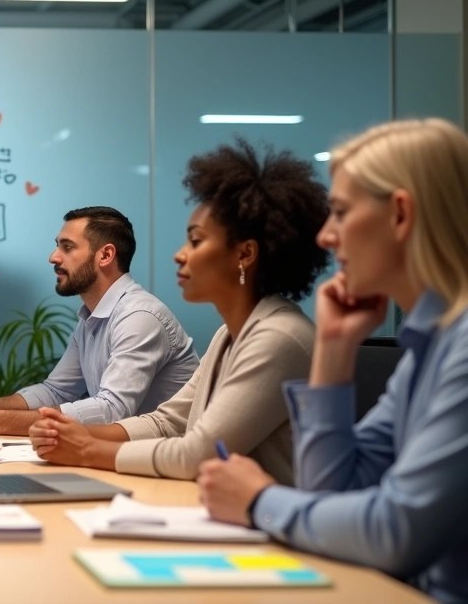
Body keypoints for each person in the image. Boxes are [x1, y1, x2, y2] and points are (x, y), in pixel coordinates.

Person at [198, 119, 468, 604]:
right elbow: (332, 493)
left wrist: (258, 500)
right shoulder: (430, 347)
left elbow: (395, 532)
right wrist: (334, 352)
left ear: (401, 215)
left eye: (341, 212)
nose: (326, 236)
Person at [28, 139, 330, 483]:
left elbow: (197, 452)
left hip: (276, 528)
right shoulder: (229, 335)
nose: (180, 254)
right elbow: (167, 422)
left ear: (245, 254)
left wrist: (86, 450)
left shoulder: (279, 338)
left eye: (196, 241)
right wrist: (74, 434)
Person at [0, 206, 199, 436]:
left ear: (106, 255)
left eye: (68, 247)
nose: (53, 257)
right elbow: (55, 391)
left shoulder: (140, 317)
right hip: (124, 456)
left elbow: (112, 410)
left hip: (172, 467)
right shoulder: (92, 318)